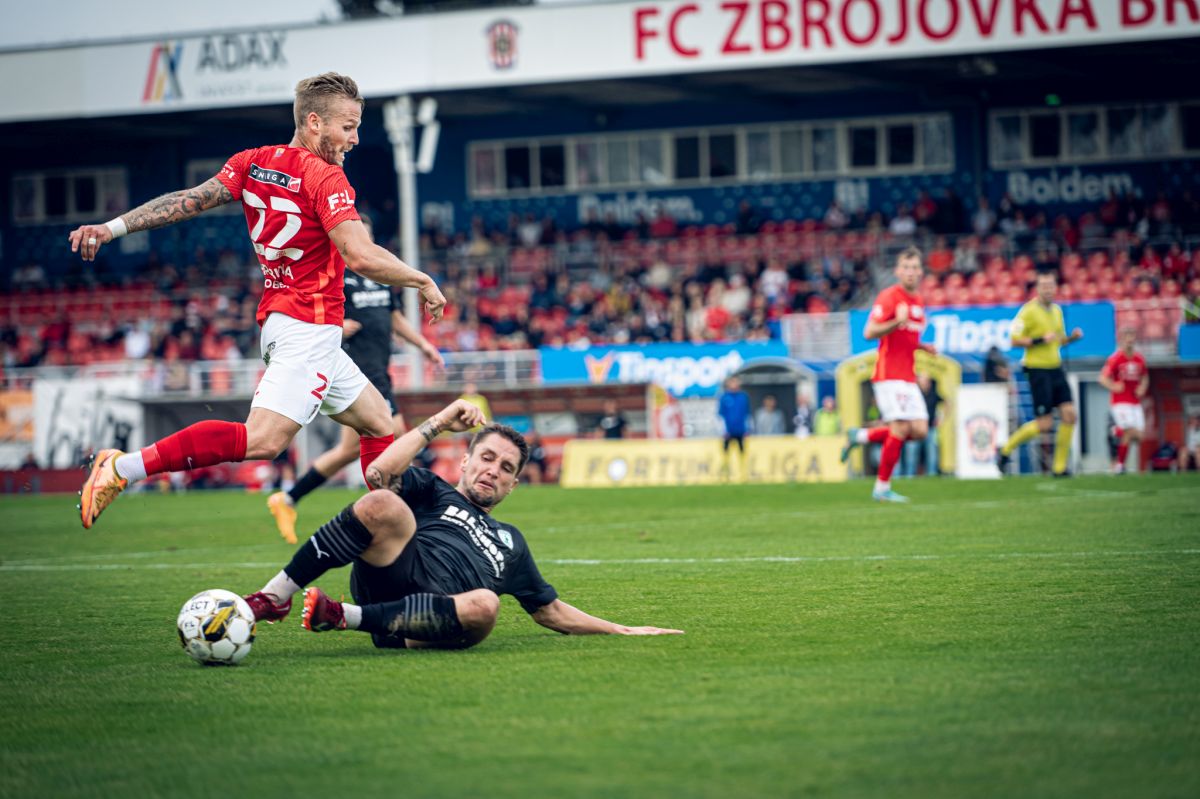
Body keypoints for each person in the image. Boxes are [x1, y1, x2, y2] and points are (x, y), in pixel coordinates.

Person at [70, 72, 446, 529]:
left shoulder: (252, 162)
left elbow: (187, 200)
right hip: (307, 328)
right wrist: (421, 280)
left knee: (379, 422)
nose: (355, 139)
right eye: (348, 127)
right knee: (263, 441)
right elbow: (360, 255)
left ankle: (391, 534)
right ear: (314, 122)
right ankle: (122, 467)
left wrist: (111, 228)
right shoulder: (326, 177)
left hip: (288, 322)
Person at [240, 399, 682, 649]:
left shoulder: (512, 542)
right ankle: (274, 596)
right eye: (486, 458)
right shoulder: (435, 490)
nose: (493, 470)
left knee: (486, 605)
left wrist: (621, 628)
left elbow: (550, 611)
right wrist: (437, 423)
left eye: (506, 468)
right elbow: (378, 472)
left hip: (440, 620)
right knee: (381, 501)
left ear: (513, 485)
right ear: (466, 462)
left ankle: (342, 617)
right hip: (391, 576)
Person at [267, 216, 447, 544]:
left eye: (367, 233)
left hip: (380, 369)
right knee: (397, 437)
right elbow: (307, 313)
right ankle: (401, 513)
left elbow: (394, 318)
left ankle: (289, 498)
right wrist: (338, 327)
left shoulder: (381, 276)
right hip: (357, 370)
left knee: (350, 450)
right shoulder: (336, 274)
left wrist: (423, 346)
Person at [840, 247, 936, 502]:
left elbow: (906, 337)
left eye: (914, 267)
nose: (910, 272)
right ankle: (882, 488)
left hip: (908, 375)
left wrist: (922, 347)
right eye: (906, 267)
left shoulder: (918, 301)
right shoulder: (889, 297)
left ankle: (860, 436)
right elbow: (869, 332)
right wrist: (896, 321)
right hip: (888, 374)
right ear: (897, 271)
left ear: (921, 272)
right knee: (900, 427)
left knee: (920, 430)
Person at [996, 271, 1083, 477]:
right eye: (1044, 286)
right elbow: (1014, 340)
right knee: (1045, 424)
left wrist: (1072, 338)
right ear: (1037, 289)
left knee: (1070, 415)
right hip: (1037, 369)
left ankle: (1059, 468)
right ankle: (1006, 449)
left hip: (1056, 367)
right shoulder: (1028, 311)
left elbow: (1058, 340)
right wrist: (1039, 340)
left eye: (1051, 285)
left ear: (1055, 287)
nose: (1048, 289)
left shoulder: (1057, 311)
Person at [1098, 328, 1149, 475]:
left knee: (1139, 437)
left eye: (1132, 337)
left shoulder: (1139, 359)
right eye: (1127, 337)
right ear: (1121, 340)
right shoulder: (1115, 358)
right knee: (1129, 432)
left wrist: (1142, 387)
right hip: (1120, 403)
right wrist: (1113, 386)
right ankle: (1120, 466)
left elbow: (1145, 377)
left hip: (1135, 403)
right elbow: (1102, 378)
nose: (1130, 340)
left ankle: (1116, 431)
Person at [901, 374, 940, 477]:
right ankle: (909, 475)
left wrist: (941, 418)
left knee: (931, 453)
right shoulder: (913, 394)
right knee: (911, 454)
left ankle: (932, 474)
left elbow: (947, 402)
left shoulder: (933, 394)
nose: (925, 384)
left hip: (930, 428)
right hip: (914, 429)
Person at [717, 376, 752, 480]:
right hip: (728, 432)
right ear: (728, 384)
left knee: (742, 452)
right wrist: (723, 430)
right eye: (732, 382)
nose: (734, 384)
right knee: (725, 453)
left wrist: (748, 429)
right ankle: (725, 474)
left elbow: (747, 414)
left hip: (740, 431)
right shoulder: (724, 397)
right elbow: (720, 415)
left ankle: (743, 474)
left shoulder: (743, 397)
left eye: (736, 382)